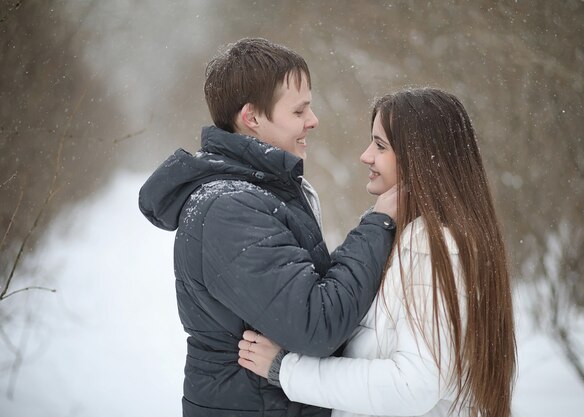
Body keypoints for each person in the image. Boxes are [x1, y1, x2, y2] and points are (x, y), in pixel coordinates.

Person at [138, 38, 398, 417]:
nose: (313, 120)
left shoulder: (260, 193)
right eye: (299, 111)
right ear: (253, 118)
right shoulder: (229, 210)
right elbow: (317, 324)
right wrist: (377, 224)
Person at [238, 88, 517, 417]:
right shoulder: (417, 237)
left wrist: (287, 370)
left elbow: (414, 386)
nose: (366, 156)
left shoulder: (432, 246)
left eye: (381, 146)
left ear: (422, 157)